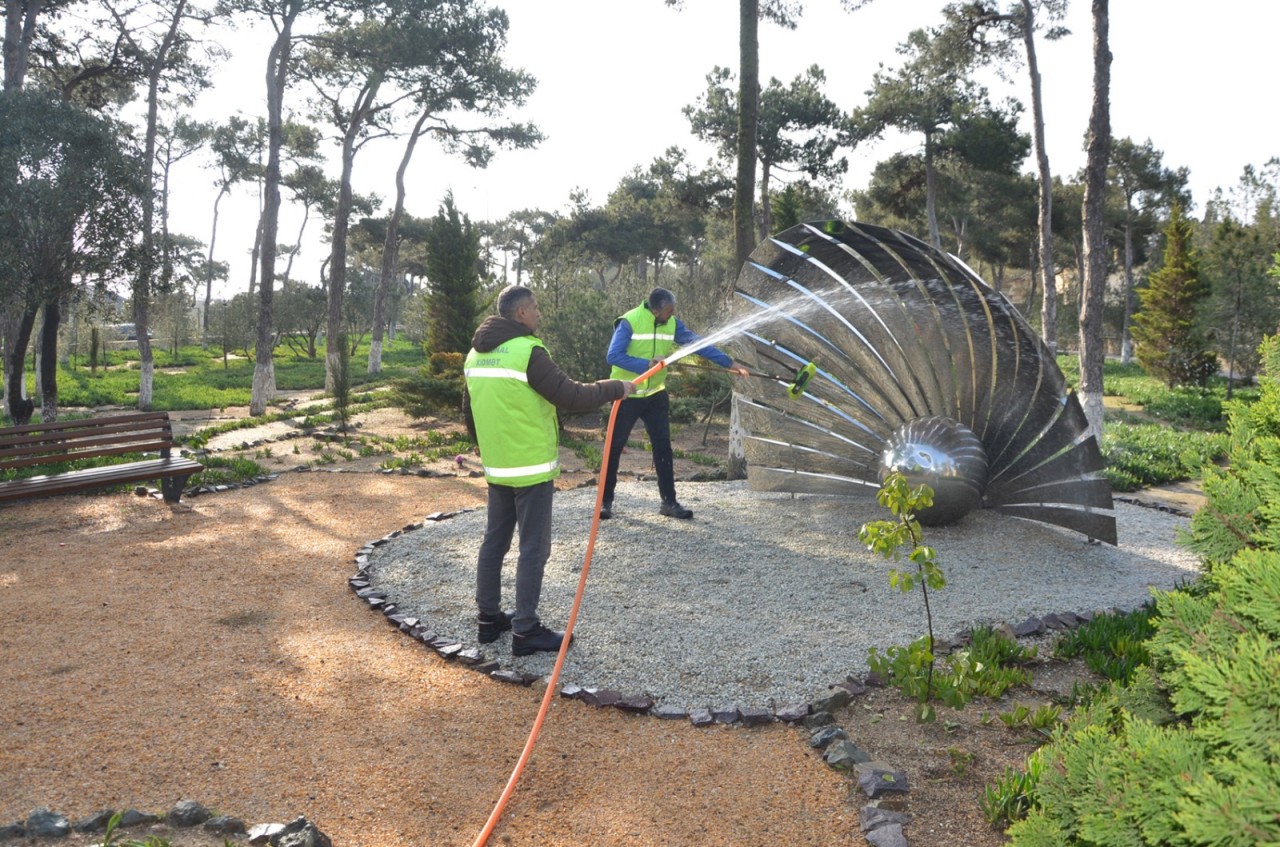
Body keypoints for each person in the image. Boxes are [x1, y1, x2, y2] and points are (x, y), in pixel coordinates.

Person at [463, 285, 636, 656]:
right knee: (533, 549)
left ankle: (488, 620)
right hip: (531, 468)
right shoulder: (529, 351)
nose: (540, 314)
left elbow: (469, 408)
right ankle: (525, 631)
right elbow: (569, 395)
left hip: (498, 467)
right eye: (536, 308)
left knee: (494, 542)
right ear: (521, 313)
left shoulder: (475, 355)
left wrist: (484, 446)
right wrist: (616, 387)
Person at [600, 287, 748, 520]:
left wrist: (729, 363)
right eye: (669, 311)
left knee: (663, 448)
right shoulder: (629, 322)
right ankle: (604, 503)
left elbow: (697, 343)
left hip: (656, 395)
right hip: (627, 395)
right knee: (613, 448)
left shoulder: (672, 323)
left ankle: (669, 502)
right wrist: (647, 364)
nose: (672, 314)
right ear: (656, 310)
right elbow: (613, 356)